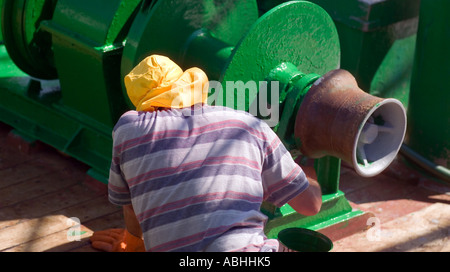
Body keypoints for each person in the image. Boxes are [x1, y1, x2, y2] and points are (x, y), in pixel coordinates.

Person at [90, 55, 322, 252]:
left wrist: (133, 246)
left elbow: (129, 203)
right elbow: (310, 206)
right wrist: (307, 167)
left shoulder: (128, 129)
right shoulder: (248, 125)